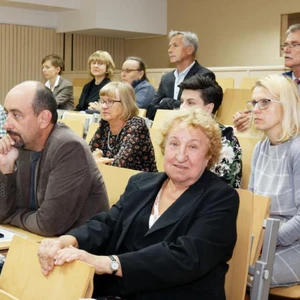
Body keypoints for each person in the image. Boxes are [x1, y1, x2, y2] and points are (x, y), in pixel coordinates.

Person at [38, 108, 239, 300]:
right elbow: (107, 224)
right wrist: (69, 240)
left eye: (193, 147)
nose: (180, 156)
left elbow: (187, 257)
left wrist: (110, 263)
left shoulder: (221, 198)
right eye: (174, 144)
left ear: (208, 156)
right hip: (116, 293)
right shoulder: (141, 183)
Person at [0, 81, 109, 236]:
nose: (6, 124)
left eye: (16, 115)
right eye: (7, 114)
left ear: (44, 118)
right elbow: (2, 213)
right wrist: (6, 168)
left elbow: (48, 225)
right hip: (36, 241)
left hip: (77, 252)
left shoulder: (69, 148)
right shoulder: (21, 144)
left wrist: (13, 216)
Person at [247, 74, 300, 286]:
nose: (256, 109)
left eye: (265, 102)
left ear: (286, 105)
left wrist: (267, 241)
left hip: (292, 240)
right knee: (220, 265)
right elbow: (253, 203)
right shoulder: (261, 146)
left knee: (248, 275)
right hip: (266, 236)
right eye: (253, 103)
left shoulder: (297, 149)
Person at [233, 23, 300, 132]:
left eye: (294, 44)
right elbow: (262, 108)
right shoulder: (279, 82)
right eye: (285, 45)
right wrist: (246, 117)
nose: (286, 50)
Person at [179, 75, 242, 188]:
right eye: (182, 101)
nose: (182, 108)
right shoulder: (179, 134)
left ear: (208, 108)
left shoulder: (225, 141)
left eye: (190, 103)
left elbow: (221, 192)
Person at [146, 30, 215, 120]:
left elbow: (199, 110)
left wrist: (166, 102)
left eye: (175, 46)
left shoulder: (204, 75)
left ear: (189, 50)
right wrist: (177, 104)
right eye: (169, 46)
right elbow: (151, 111)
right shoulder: (166, 78)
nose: (169, 50)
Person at [89, 82, 157, 172]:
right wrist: (95, 160)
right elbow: (86, 155)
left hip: (140, 182)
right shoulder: (105, 124)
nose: (104, 106)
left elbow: (120, 165)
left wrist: (96, 160)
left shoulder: (136, 125)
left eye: (110, 101)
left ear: (125, 103)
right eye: (102, 101)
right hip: (111, 179)